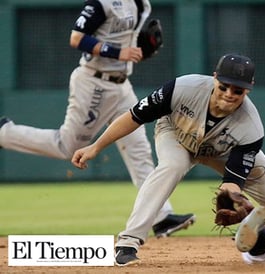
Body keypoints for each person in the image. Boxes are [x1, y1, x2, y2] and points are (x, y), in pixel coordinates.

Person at [71, 53, 265, 266]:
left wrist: (230, 196)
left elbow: (233, 179)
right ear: (215, 78)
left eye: (238, 90)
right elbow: (134, 116)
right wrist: (96, 146)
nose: (229, 93)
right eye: (224, 86)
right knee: (172, 165)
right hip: (176, 134)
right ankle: (128, 243)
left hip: (223, 151)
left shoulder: (251, 128)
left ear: (249, 88)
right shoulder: (183, 88)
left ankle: (258, 239)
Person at [0, 0, 195, 238]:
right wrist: (118, 52)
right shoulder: (103, 3)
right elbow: (76, 38)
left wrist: (137, 51)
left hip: (122, 86)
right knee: (67, 146)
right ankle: (4, 134)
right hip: (94, 84)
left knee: (139, 151)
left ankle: (161, 216)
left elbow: (128, 40)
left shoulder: (142, 5)